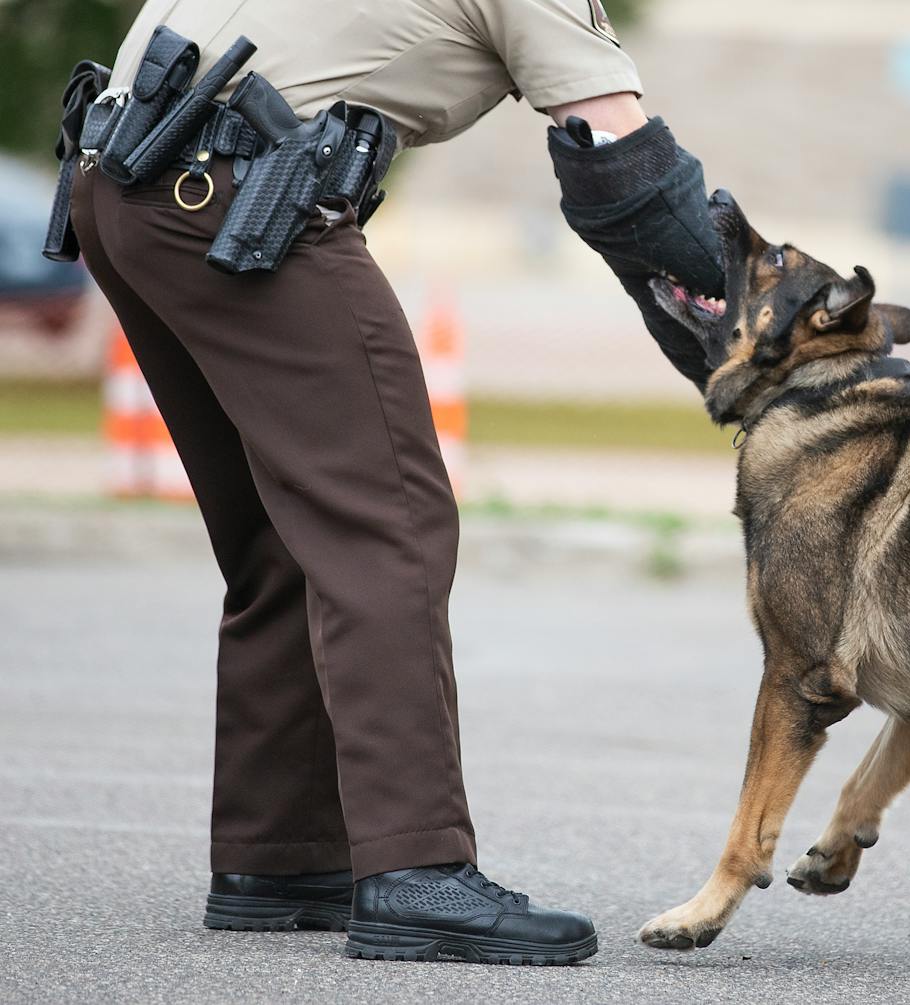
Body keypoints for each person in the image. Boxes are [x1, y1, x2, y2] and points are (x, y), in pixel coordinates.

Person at [49, 0, 722, 965]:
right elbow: (628, 172)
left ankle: (277, 855)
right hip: (230, 192)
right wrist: (775, 323)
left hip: (122, 186)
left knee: (289, 527)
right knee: (388, 523)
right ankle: (416, 871)